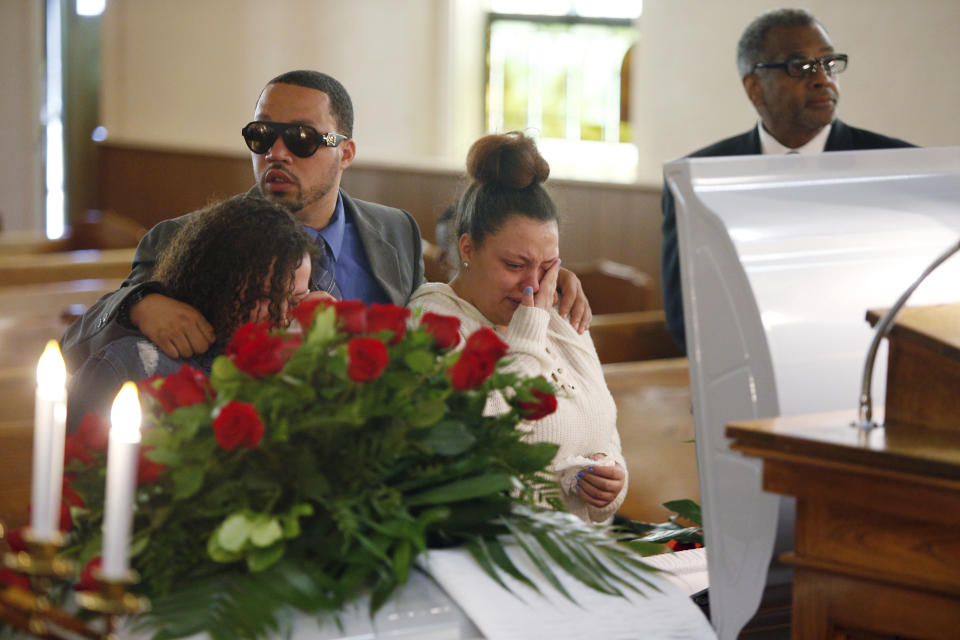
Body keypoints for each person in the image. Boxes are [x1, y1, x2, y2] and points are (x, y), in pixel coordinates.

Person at [60, 70, 591, 373]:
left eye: (302, 139)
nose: (277, 153)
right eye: (261, 136)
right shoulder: (185, 237)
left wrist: (542, 276)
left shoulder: (394, 231)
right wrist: (138, 303)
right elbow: (81, 341)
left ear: (347, 151)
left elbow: (446, 311)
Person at [661, 8, 914, 353]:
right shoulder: (696, 179)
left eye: (828, 63)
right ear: (755, 87)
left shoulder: (899, 169)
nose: (822, 78)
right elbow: (683, 314)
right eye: (800, 66)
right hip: (743, 380)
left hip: (863, 375)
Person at [408, 132, 627, 524]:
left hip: (587, 555)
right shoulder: (433, 318)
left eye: (547, 267)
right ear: (468, 248)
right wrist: (529, 330)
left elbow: (604, 426)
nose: (532, 286)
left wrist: (612, 482)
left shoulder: (561, 309)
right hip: (497, 554)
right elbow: (485, 435)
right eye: (514, 265)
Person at [67, 194, 315, 428]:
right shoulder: (130, 364)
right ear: (216, 287)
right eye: (264, 298)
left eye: (295, 301)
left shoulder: (294, 371)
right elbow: (76, 464)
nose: (282, 317)